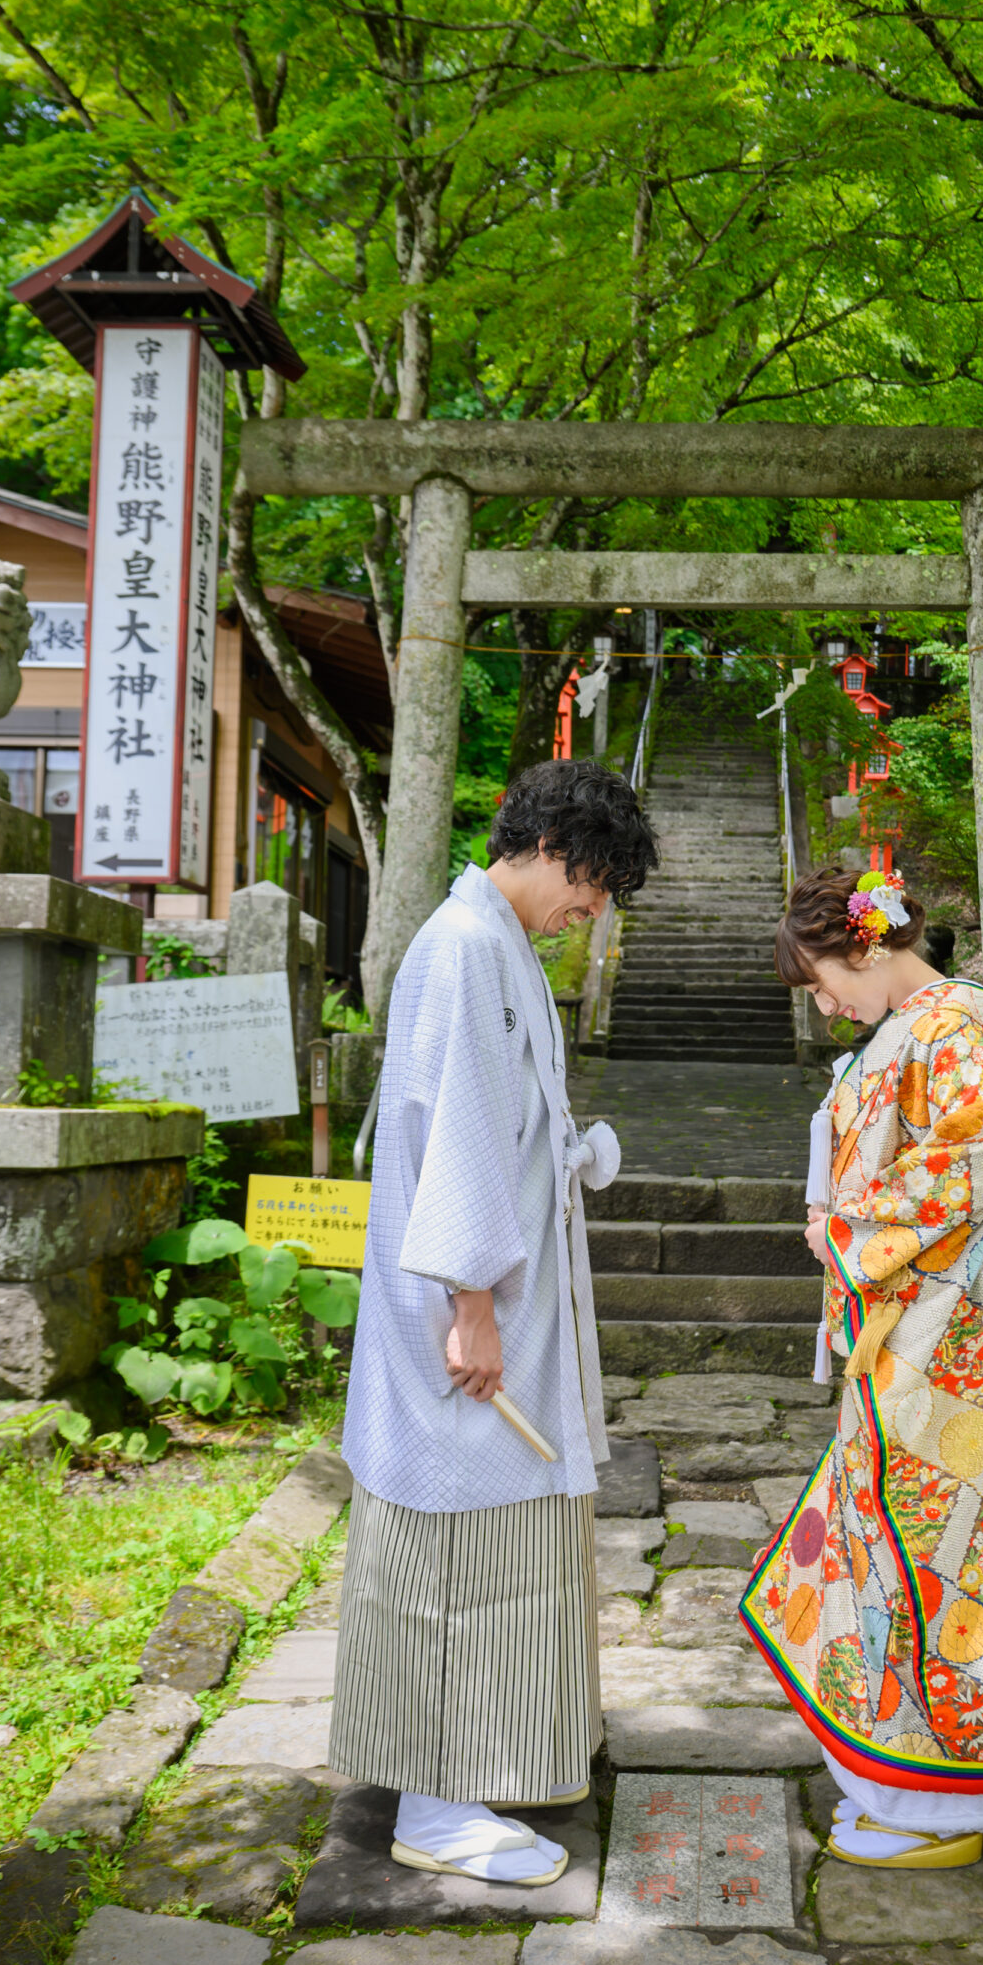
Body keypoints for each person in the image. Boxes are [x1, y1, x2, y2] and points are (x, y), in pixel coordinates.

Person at [327, 759, 658, 1885]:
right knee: (460, 1537)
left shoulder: (490, 940)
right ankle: (436, 1803)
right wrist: (470, 1304)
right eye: (596, 884)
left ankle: (490, 1759)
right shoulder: (467, 945)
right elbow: (457, 1130)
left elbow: (496, 1123)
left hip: (497, 1294)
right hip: (467, 1310)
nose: (593, 910)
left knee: (501, 1530)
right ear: (557, 848)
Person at [743, 866, 983, 1869]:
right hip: (924, 1333)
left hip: (940, 1344)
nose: (824, 1007)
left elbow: (954, 1175)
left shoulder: (947, 1033)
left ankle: (935, 1796)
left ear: (864, 945)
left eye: (821, 983)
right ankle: (910, 1775)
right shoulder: (931, 1031)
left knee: (929, 1551)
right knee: (912, 1544)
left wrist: (841, 1229)